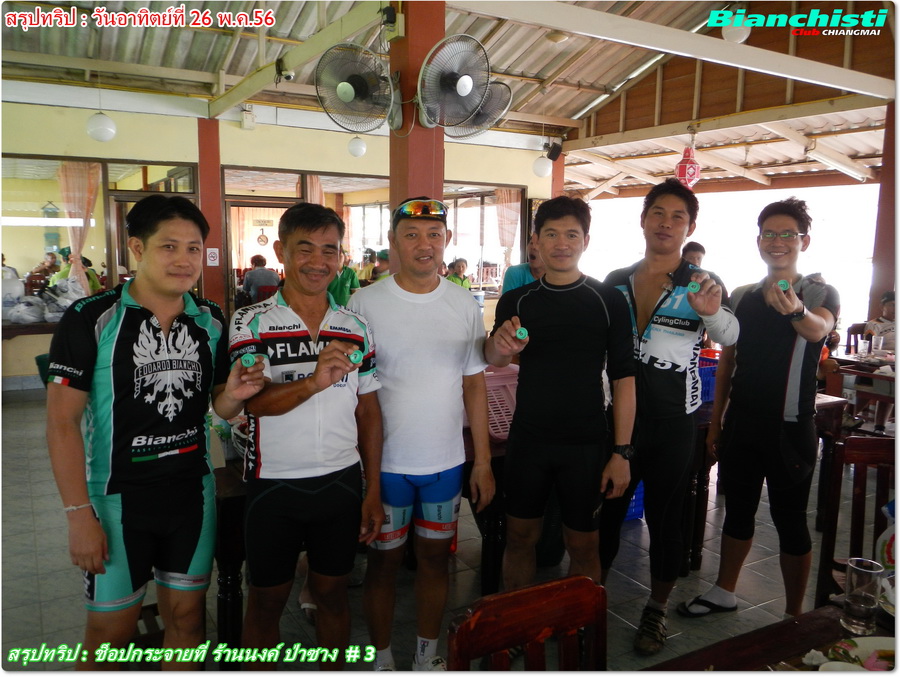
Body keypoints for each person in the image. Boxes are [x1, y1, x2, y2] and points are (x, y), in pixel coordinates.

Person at [45, 195, 265, 670]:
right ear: (137, 248)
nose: (184, 260)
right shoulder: (91, 317)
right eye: (169, 246)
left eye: (193, 248)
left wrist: (236, 393)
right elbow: (61, 423)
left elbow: (220, 405)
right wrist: (78, 515)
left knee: (187, 619)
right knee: (110, 634)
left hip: (191, 494)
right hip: (116, 498)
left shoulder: (210, 319)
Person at [228, 202, 384, 669]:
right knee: (266, 601)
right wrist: (313, 382)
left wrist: (373, 489)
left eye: (329, 250)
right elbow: (254, 403)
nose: (318, 262)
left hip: (340, 482)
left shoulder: (355, 327)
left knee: (333, 596)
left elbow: (369, 410)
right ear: (281, 252)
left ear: (341, 257)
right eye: (305, 249)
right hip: (273, 484)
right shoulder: (251, 321)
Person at [348, 196, 495, 672]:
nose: (424, 244)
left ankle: (427, 657)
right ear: (393, 242)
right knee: (383, 564)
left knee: (435, 562)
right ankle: (382, 659)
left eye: (434, 235)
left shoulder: (462, 301)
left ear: (446, 240)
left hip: (444, 464)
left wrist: (483, 462)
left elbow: (474, 383)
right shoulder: (364, 303)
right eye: (411, 235)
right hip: (385, 466)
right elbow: (354, 392)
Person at [677, 197, 838, 621]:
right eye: (769, 233)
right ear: (758, 241)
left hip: (790, 429)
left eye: (787, 234)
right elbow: (728, 360)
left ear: (804, 241)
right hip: (742, 424)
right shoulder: (744, 296)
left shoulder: (818, 292)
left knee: (791, 521)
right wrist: (717, 423)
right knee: (738, 511)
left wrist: (796, 310)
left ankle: (793, 616)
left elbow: (818, 329)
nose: (777, 241)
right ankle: (724, 591)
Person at [599, 178, 739, 656]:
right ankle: (589, 600)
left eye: (678, 216)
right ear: (643, 220)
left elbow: (731, 333)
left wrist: (711, 313)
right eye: (658, 213)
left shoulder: (702, 283)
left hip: (673, 422)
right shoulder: (615, 280)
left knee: (666, 519)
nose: (666, 223)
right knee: (606, 515)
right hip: (617, 421)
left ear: (689, 228)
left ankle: (656, 609)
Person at [483, 196, 636, 593]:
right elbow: (495, 358)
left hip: (586, 441)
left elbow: (624, 379)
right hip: (529, 439)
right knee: (519, 537)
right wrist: (500, 346)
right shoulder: (518, 300)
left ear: (586, 240)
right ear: (536, 241)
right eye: (551, 234)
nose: (561, 243)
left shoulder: (608, 301)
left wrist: (621, 453)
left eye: (571, 234)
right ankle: (518, 619)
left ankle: (579, 623)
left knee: (583, 543)